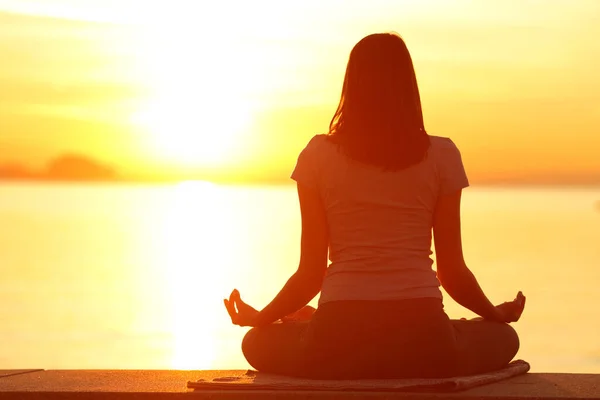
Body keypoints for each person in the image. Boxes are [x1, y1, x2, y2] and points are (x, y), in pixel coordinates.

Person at [224, 32, 526, 379]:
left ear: (351, 85)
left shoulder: (318, 156)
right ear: (408, 85)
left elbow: (310, 275)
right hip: (424, 338)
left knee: (255, 343)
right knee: (504, 336)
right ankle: (433, 339)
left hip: (337, 336)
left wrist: (260, 318)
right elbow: (452, 273)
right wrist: (492, 313)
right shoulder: (442, 155)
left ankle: (326, 336)